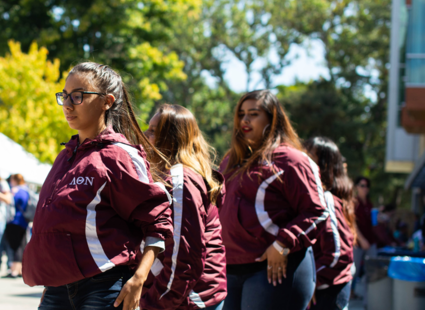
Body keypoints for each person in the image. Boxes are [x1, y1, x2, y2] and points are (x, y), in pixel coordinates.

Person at [22, 62, 173, 310]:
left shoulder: (119, 155)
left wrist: (139, 279)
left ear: (107, 101)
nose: (68, 104)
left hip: (104, 286)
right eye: (65, 95)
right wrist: (52, 285)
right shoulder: (65, 156)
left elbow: (158, 222)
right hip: (58, 288)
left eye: (79, 96)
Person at [219, 90, 326, 310]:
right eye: (241, 114)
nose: (245, 120)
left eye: (254, 114)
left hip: (274, 270)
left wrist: (282, 244)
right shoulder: (231, 160)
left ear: (272, 118)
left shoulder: (291, 160)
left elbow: (317, 212)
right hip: (230, 268)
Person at [141, 104, 227, 310]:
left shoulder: (181, 180)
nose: (144, 134)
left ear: (171, 140)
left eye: (153, 131)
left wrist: (154, 302)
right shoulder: (160, 175)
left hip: (187, 299)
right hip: (172, 295)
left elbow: (185, 256)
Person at [304, 137, 356, 310]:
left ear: (325, 165)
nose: (302, 159)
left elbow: (338, 254)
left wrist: (310, 282)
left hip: (326, 294)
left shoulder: (326, 199)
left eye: (309, 155)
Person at [3, 173, 31, 279]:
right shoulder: (26, 189)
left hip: (15, 221)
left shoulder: (16, 190)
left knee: (16, 246)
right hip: (23, 221)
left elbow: (11, 203)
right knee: (21, 245)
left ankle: (14, 269)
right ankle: (19, 269)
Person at [351, 176, 375, 299]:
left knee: (371, 270)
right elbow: (352, 223)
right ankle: (350, 292)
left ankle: (369, 297)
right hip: (358, 243)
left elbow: (372, 223)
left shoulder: (369, 204)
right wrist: (361, 239)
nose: (364, 188)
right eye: (362, 185)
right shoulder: (354, 203)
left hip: (371, 242)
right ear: (356, 187)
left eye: (366, 186)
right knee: (354, 270)